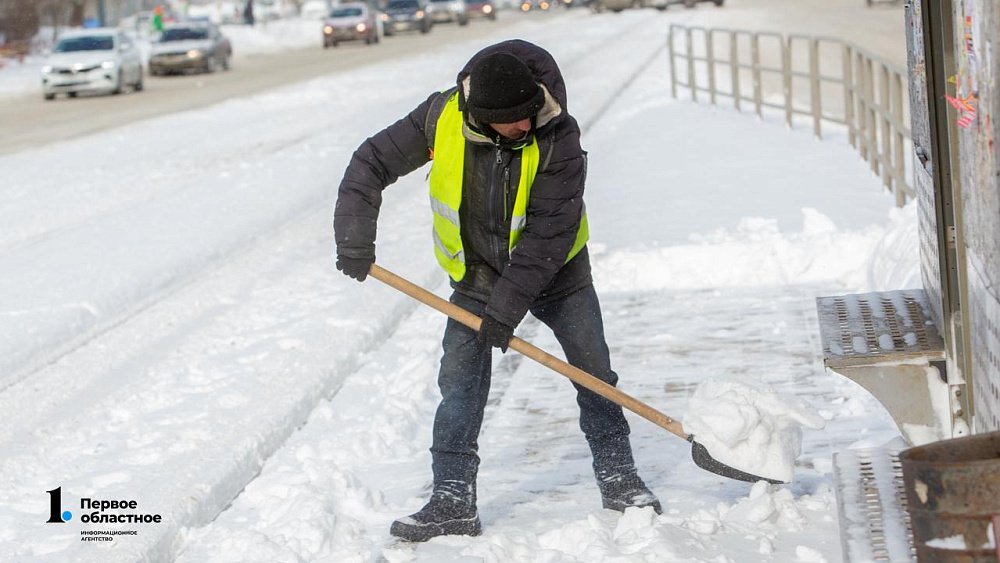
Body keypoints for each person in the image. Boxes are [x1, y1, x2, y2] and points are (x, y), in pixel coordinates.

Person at [334, 39, 660, 542]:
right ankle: (452, 499)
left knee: (592, 372)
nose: (525, 125)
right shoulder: (439, 117)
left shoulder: (558, 135)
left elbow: (547, 235)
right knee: (459, 386)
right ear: (482, 115)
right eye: (513, 121)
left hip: (557, 274)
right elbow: (370, 163)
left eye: (529, 114)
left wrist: (505, 313)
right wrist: (355, 238)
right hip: (477, 278)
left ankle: (619, 477)